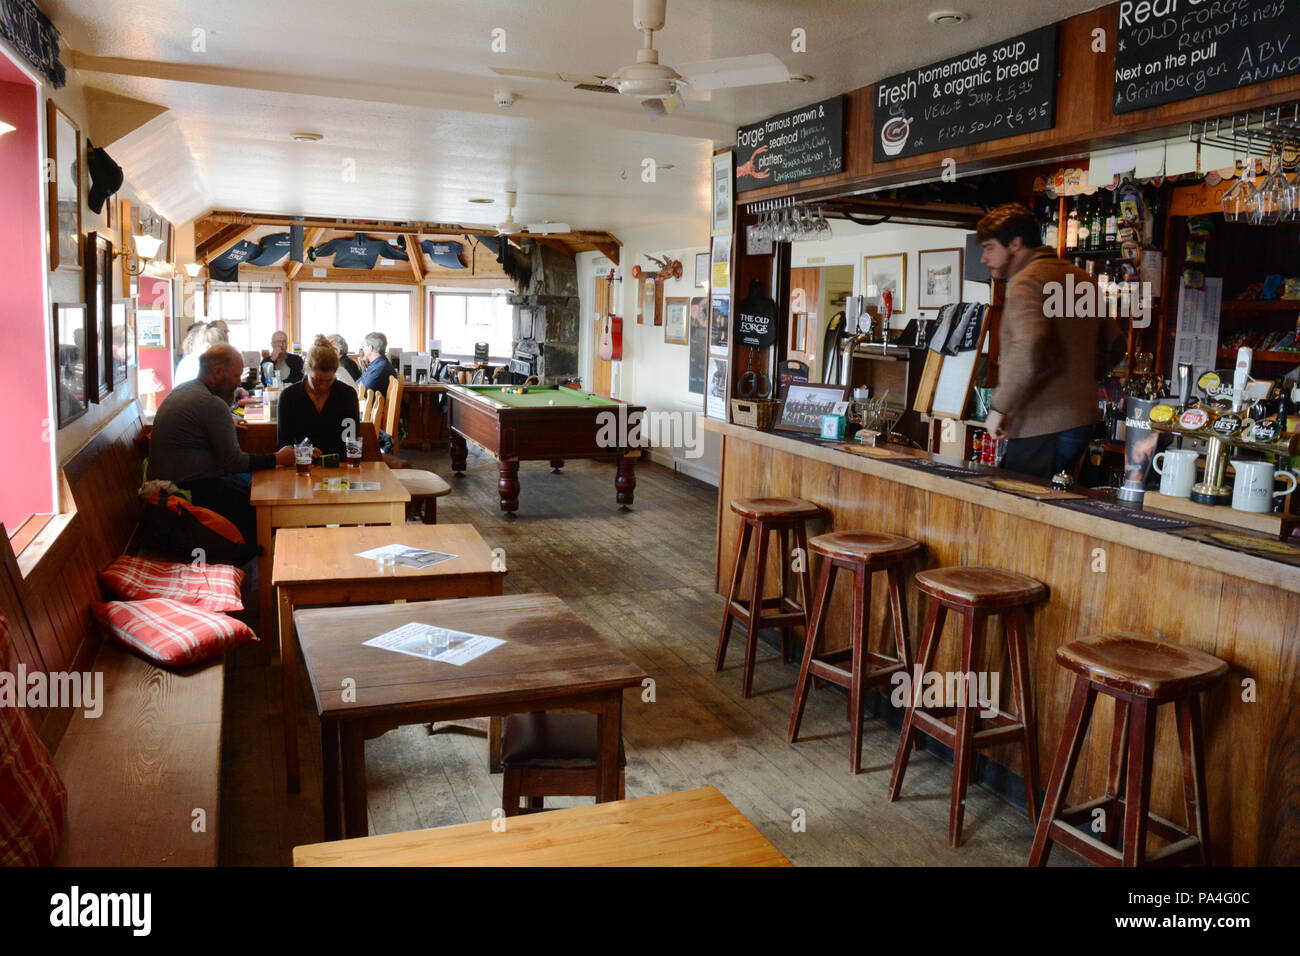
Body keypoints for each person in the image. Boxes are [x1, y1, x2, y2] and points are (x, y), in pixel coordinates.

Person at [977, 203, 1124, 480]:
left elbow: (1028, 347)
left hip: (1043, 423)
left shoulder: (1027, 281)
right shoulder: (1081, 279)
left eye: (989, 248)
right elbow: (1117, 345)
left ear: (1015, 244)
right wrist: (1078, 378)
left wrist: (999, 407)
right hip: (1082, 421)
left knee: (1018, 506)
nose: (984, 259)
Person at [148, 344, 297, 540]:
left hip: (170, 487)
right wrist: (278, 457)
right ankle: (264, 558)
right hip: (187, 493)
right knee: (267, 499)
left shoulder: (185, 390)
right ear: (218, 372)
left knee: (259, 484)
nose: (238, 384)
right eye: (236, 377)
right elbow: (236, 463)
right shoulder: (211, 404)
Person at [276, 335, 362, 458]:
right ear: (306, 371)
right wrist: (302, 452)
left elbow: (352, 441)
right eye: (317, 380)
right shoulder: (289, 397)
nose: (323, 386)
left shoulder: (347, 395)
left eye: (329, 380)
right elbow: (283, 444)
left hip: (338, 466)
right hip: (302, 466)